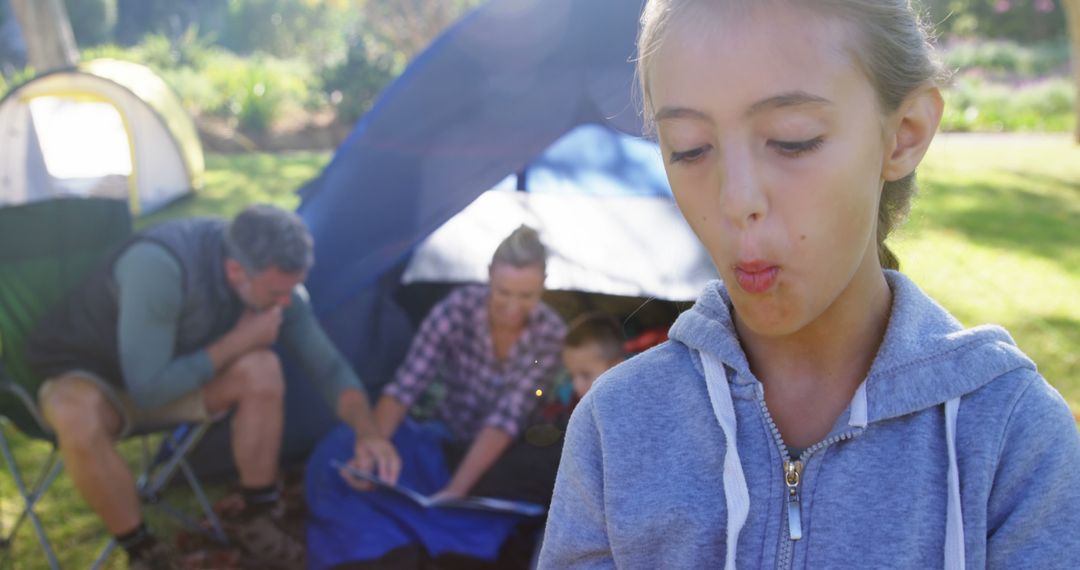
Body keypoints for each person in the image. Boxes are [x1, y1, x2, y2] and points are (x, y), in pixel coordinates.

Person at [539, 1, 1080, 568]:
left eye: (791, 140)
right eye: (689, 148)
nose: (736, 199)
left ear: (904, 134)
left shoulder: (1009, 437)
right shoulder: (616, 425)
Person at [27, 204, 400, 570]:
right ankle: (145, 552)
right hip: (94, 376)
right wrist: (237, 342)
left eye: (292, 291)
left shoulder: (271, 284)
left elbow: (329, 368)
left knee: (262, 368)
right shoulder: (158, 267)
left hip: (169, 378)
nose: (285, 304)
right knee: (72, 410)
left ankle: (259, 517)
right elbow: (148, 391)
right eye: (275, 294)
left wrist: (368, 433)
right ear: (236, 270)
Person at [305, 225, 565, 568]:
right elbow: (405, 388)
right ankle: (396, 543)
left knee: (541, 476)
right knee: (339, 450)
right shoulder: (456, 309)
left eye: (527, 295)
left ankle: (440, 531)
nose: (513, 307)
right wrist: (371, 445)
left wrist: (457, 491)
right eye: (503, 292)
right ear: (488, 275)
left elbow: (506, 419)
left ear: (544, 283)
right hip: (444, 444)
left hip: (503, 456)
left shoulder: (550, 332)